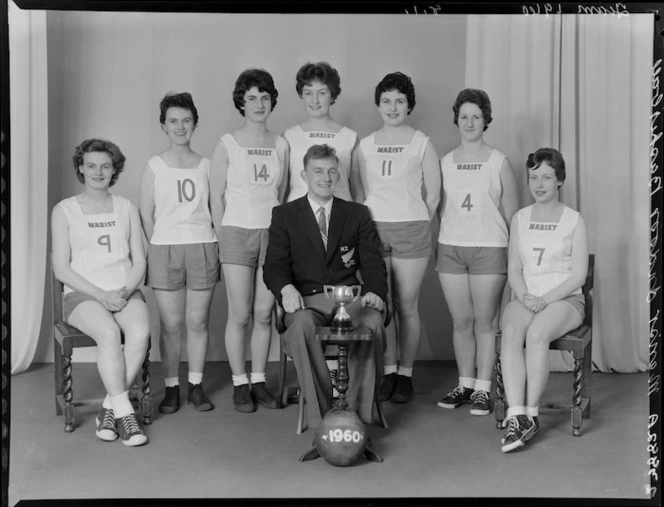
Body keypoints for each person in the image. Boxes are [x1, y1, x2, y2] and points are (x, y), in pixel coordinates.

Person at [263, 144, 388, 424]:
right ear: (304, 175)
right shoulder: (284, 215)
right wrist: (286, 289)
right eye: (318, 171)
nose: (326, 177)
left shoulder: (356, 213)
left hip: (350, 299)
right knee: (302, 328)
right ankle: (324, 420)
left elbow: (372, 261)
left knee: (373, 322)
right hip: (306, 301)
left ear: (339, 174)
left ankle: (357, 418)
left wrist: (375, 292)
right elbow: (274, 265)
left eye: (332, 170)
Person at [52, 138, 150, 446]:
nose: (98, 172)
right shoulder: (64, 210)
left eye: (105, 166)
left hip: (124, 291)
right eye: (91, 165)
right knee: (108, 332)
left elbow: (140, 261)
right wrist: (101, 295)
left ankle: (108, 409)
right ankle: (126, 415)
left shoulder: (126, 207)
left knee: (140, 331)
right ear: (81, 168)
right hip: (83, 295)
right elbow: (61, 269)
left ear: (114, 170)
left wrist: (124, 291)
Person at [358, 72, 441, 404]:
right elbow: (361, 190)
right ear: (378, 105)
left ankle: (405, 374)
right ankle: (388, 371)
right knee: (382, 306)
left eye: (400, 100)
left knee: (406, 306)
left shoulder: (422, 142)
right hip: (375, 230)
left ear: (409, 105)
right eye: (387, 100)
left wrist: (417, 223)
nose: (393, 107)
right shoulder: (364, 144)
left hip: (411, 230)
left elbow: (433, 195)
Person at [209, 68, 288, 413]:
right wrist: (223, 234)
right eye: (252, 97)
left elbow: (281, 195)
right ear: (241, 102)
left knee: (263, 312)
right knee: (239, 314)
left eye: (265, 97)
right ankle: (240, 383)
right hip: (236, 231)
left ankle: (259, 380)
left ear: (272, 102)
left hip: (270, 235)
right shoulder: (227, 144)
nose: (259, 104)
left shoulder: (281, 144)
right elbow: (215, 197)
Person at [436, 88, 519, 416]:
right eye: (464, 116)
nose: (470, 122)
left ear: (486, 121)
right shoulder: (446, 162)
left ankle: (484, 389)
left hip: (489, 248)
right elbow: (443, 210)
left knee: (486, 322)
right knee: (461, 321)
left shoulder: (499, 162)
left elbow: (513, 216)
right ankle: (465, 383)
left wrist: (514, 261)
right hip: (452, 248)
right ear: (457, 118)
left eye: (477, 117)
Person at [499, 148, 588, 452]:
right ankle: (516, 415)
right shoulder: (520, 218)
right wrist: (524, 296)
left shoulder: (574, 220)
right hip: (527, 297)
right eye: (533, 177)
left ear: (559, 180)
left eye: (546, 177)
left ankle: (532, 414)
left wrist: (544, 300)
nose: (539, 184)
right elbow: (513, 268)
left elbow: (578, 276)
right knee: (511, 332)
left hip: (564, 300)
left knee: (536, 334)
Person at [139, 92, 219, 414]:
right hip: (165, 249)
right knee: (171, 324)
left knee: (197, 321)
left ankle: (196, 386)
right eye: (173, 120)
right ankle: (172, 387)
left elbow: (216, 209)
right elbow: (146, 215)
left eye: (186, 120)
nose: (180, 126)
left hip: (202, 245)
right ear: (163, 125)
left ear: (195, 123)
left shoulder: (207, 166)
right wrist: (160, 245)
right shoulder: (154, 167)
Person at [284, 61, 362, 203]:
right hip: (298, 216)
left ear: (332, 95)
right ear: (301, 95)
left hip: (340, 216)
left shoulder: (350, 137)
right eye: (308, 93)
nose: (315, 100)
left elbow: (357, 189)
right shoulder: (289, 136)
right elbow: (283, 189)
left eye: (322, 93)